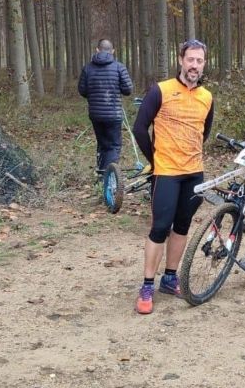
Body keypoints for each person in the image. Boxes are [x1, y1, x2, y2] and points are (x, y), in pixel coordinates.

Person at [131, 40, 214, 315]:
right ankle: (146, 285)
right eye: (190, 59)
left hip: (194, 172)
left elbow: (204, 133)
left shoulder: (207, 97)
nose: (194, 65)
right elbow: (140, 128)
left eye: (199, 61)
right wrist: (155, 160)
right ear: (180, 60)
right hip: (166, 172)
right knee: (160, 227)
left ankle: (169, 277)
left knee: (182, 226)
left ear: (204, 63)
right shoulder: (161, 90)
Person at [77, 39, 134, 176]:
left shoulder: (87, 68)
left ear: (97, 50)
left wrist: (95, 96)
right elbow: (128, 90)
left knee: (102, 144)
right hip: (114, 114)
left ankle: (102, 173)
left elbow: (82, 90)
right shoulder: (119, 67)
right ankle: (109, 178)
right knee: (114, 146)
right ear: (112, 51)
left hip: (96, 115)